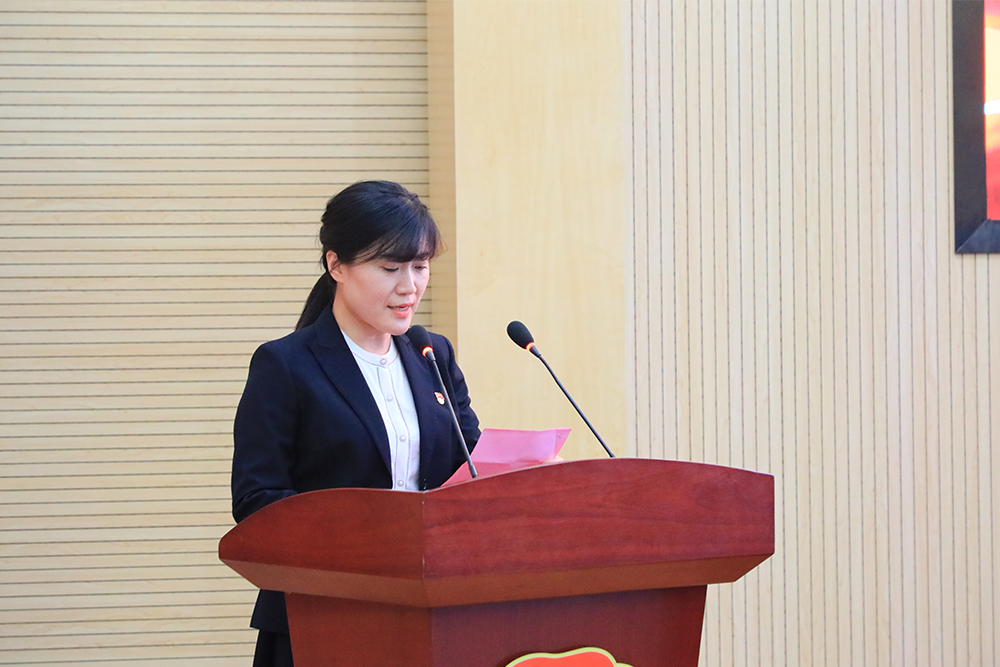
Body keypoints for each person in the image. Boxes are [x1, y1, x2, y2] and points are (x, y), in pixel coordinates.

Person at [231, 180, 480, 667]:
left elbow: (469, 468)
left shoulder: (432, 354)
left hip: (430, 615)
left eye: (420, 266)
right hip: (322, 614)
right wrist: (371, 534)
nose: (409, 286)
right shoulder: (286, 365)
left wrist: (523, 476)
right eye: (390, 268)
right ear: (336, 265)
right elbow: (257, 500)